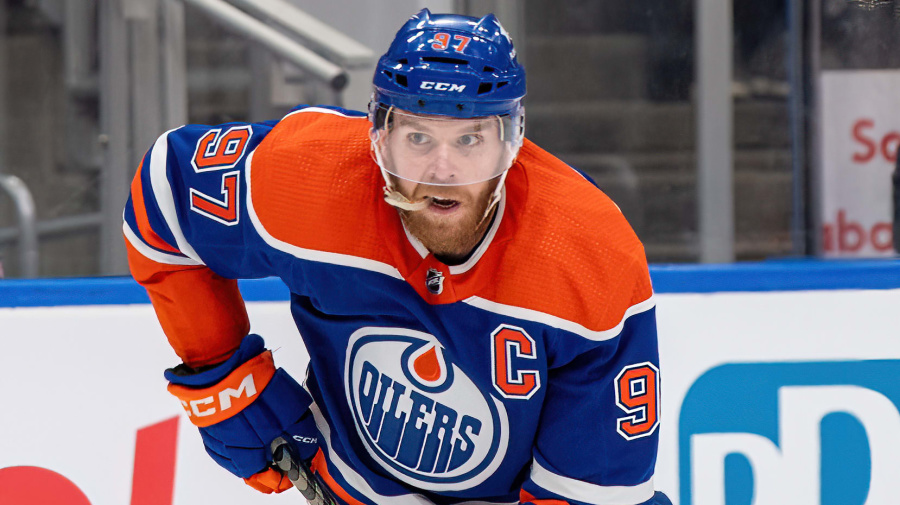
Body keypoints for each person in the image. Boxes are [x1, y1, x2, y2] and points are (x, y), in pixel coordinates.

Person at [125, 9, 671, 505]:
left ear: (511, 141)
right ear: (380, 136)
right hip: (357, 484)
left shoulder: (587, 252)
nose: (442, 169)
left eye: (470, 139)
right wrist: (222, 374)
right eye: (418, 137)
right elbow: (165, 197)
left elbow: (587, 494)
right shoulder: (307, 176)